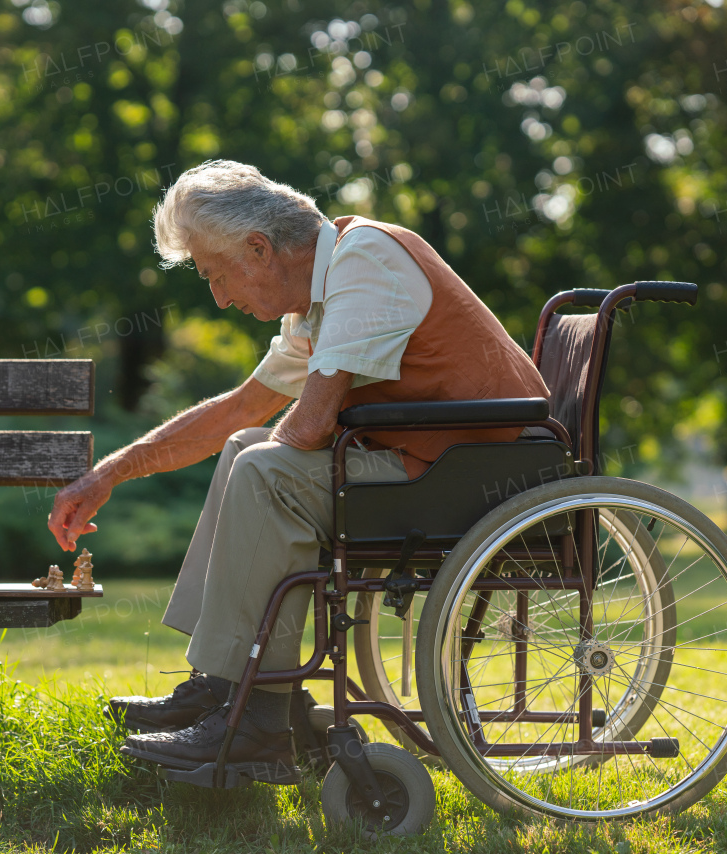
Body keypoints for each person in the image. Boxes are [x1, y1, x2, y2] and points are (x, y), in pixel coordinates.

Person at [47, 160, 549, 781]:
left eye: (216, 274)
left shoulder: (364, 263)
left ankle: (256, 716)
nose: (220, 297)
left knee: (264, 467)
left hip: (479, 479)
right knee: (244, 449)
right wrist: (108, 475)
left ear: (258, 248)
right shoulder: (320, 292)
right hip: (435, 467)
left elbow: (307, 429)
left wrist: (268, 460)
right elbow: (238, 411)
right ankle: (224, 685)